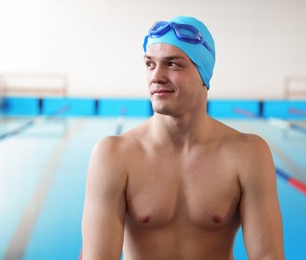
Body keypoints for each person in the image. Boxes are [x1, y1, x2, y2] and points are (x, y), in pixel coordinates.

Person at [81, 16, 284, 260]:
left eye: (173, 65)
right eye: (150, 64)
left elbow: (267, 257)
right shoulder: (114, 155)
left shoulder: (248, 154)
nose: (156, 76)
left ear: (203, 74)